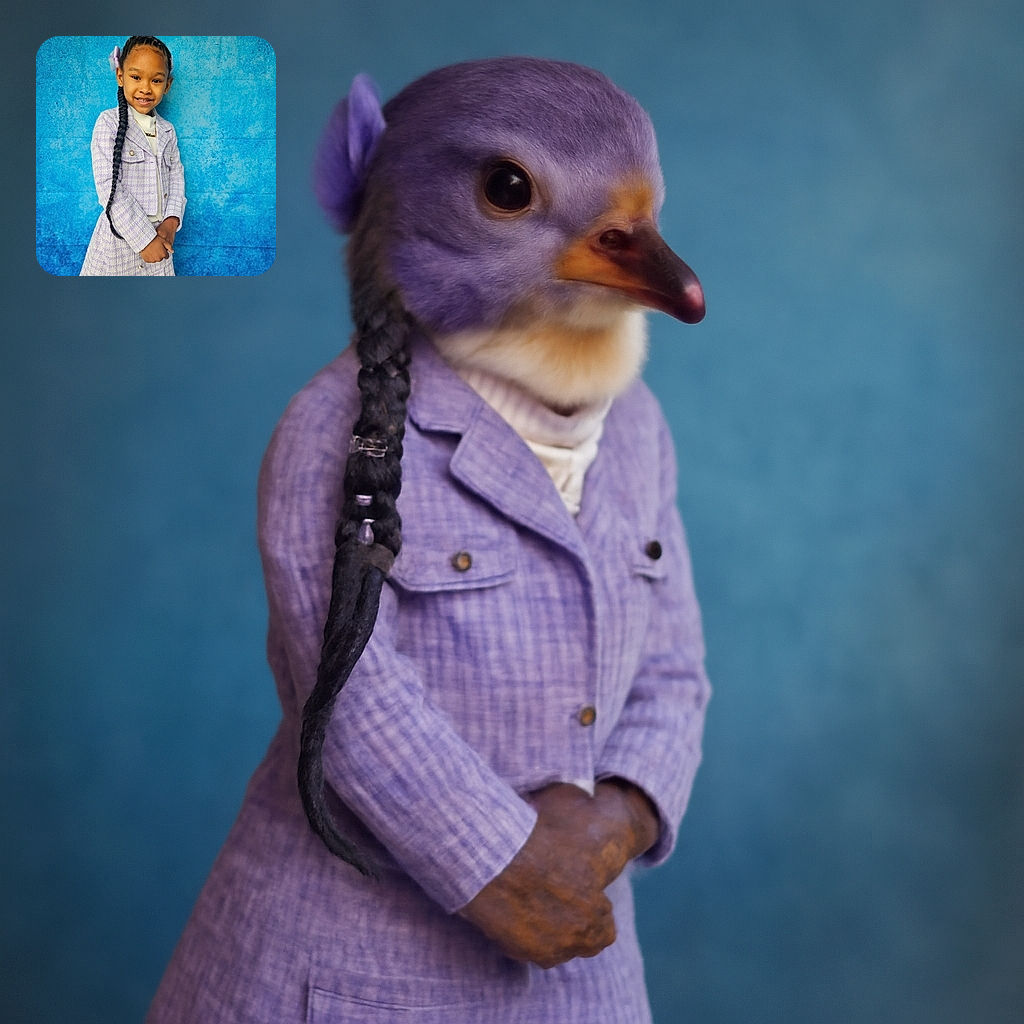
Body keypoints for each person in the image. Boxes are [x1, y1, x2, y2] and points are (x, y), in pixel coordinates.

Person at [147, 58, 710, 1023]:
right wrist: (499, 860)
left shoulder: (639, 432)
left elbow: (673, 664)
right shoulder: (339, 433)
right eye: (510, 190)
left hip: (580, 955)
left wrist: (618, 817)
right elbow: (352, 694)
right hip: (357, 968)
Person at [80, 36, 185, 276]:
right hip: (120, 240)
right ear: (120, 76)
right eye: (136, 77)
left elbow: (177, 178)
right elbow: (109, 187)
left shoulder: (168, 131)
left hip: (161, 242)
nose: (146, 88)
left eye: (156, 80)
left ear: (167, 84)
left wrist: (171, 222)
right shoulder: (108, 123)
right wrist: (145, 240)